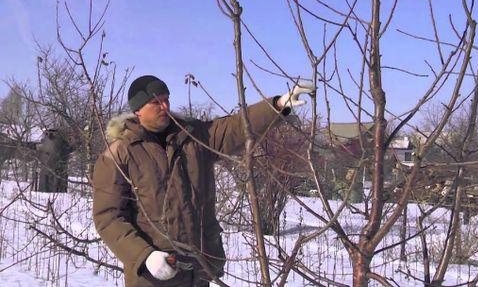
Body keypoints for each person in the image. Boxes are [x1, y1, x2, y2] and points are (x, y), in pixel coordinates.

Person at [92, 75, 313, 286]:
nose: (165, 107)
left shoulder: (193, 136)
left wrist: (277, 106)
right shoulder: (120, 153)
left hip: (200, 271)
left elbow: (235, 127)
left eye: (166, 100)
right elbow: (108, 218)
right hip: (154, 274)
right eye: (156, 102)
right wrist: (144, 255)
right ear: (138, 110)